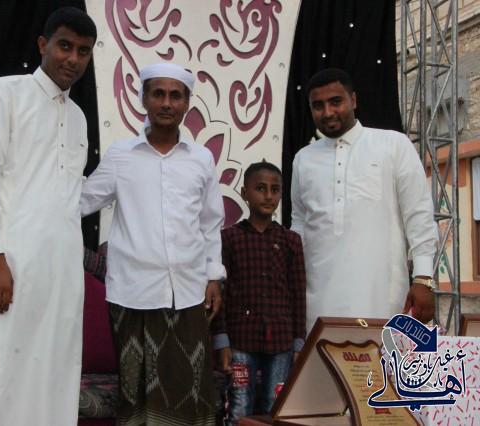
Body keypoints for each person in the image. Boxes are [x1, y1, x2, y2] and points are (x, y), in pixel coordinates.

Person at [0, 8, 96, 426]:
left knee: (53, 372)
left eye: (83, 51)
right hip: (9, 262)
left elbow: (67, 197)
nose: (72, 58)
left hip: (61, 270)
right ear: (43, 45)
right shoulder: (5, 94)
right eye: (65, 46)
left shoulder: (78, 118)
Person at [81, 62, 226, 426]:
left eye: (175, 95)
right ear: (143, 98)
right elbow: (81, 202)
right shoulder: (121, 155)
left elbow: (210, 223)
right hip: (132, 293)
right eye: (158, 94)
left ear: (187, 103)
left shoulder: (201, 159)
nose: (166, 103)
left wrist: (213, 276)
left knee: (190, 390)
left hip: (188, 293)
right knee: (136, 393)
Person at [291, 68, 438, 332]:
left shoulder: (393, 145)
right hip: (318, 302)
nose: (328, 112)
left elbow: (418, 215)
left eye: (336, 101)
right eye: (318, 105)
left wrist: (423, 279)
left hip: (382, 297)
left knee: (383, 360)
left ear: (353, 100)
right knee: (323, 358)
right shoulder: (304, 159)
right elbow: (299, 225)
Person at [212, 161, 306, 423]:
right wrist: (221, 341)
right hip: (240, 339)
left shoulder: (290, 241)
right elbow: (220, 294)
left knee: (275, 405)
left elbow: (298, 294)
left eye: (275, 190)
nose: (268, 196)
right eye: (260, 188)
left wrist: (298, 343)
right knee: (240, 404)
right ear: (245, 192)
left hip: (281, 341)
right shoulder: (229, 238)